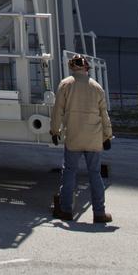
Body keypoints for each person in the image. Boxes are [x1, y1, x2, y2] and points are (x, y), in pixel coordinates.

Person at [50, 53, 113, 224]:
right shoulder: (97, 87)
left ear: (71, 67)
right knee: (95, 174)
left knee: (69, 172)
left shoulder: (65, 85)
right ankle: (99, 213)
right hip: (94, 138)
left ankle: (66, 210)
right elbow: (104, 115)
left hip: (74, 137)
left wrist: (54, 131)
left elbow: (58, 111)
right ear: (87, 68)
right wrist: (107, 136)